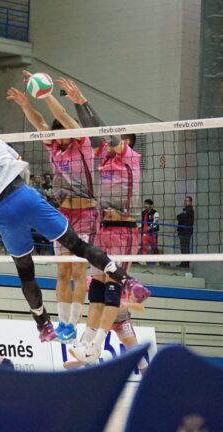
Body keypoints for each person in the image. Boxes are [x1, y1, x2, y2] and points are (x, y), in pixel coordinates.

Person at [0, 119, 149, 343]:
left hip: (1, 212)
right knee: (78, 246)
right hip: (25, 195)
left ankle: (43, 324)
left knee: (26, 271)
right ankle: (126, 280)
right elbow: (21, 164)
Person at [7, 72, 97, 343]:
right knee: (62, 270)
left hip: (86, 214)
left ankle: (73, 323)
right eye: (54, 136)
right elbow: (41, 123)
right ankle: (62, 324)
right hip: (62, 213)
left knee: (78, 270)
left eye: (61, 134)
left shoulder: (82, 144)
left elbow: (64, 118)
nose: (57, 138)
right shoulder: (54, 148)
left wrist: (45, 95)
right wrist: (25, 104)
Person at [57, 78, 142, 363]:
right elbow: (94, 133)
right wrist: (75, 102)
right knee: (96, 286)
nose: (103, 144)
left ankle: (96, 345)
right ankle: (87, 341)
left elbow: (105, 134)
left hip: (124, 229)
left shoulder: (129, 156)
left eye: (110, 140)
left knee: (112, 284)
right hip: (101, 228)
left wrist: (83, 101)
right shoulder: (102, 158)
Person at [177, 196, 194, 268]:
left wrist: (180, 216)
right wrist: (180, 216)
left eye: (187, 201)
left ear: (190, 202)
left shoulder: (190, 210)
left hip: (185, 231)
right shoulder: (186, 209)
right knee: (183, 247)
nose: (185, 202)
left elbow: (180, 217)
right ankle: (184, 262)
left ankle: (185, 263)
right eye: (185, 200)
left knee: (185, 247)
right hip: (183, 231)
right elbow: (178, 217)